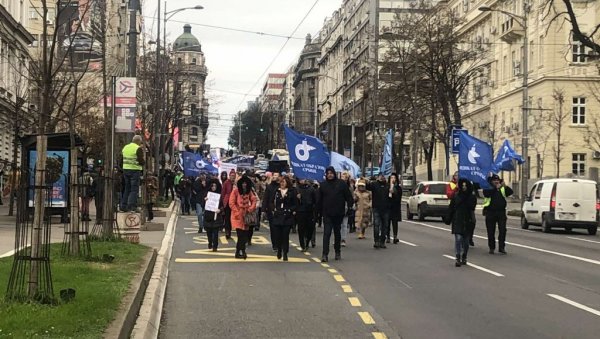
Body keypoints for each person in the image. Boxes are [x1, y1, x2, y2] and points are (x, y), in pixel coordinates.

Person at [318, 167, 353, 262]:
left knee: (337, 233)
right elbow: (319, 200)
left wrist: (350, 207)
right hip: (327, 213)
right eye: (328, 173)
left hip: (338, 213)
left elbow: (349, 197)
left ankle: (337, 252)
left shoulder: (341, 184)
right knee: (327, 233)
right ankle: (325, 254)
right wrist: (318, 213)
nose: (330, 175)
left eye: (331, 173)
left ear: (334, 173)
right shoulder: (323, 185)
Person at [447, 178, 477, 266]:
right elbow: (451, 207)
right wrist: (448, 218)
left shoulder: (471, 197)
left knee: (466, 242)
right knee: (458, 239)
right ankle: (458, 257)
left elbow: (472, 207)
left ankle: (464, 256)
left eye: (465, 185)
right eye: (462, 185)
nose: (464, 187)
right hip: (458, 220)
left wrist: (468, 197)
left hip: (467, 220)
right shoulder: (456, 196)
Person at [483, 174, 514, 255]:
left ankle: (501, 247)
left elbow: (510, 192)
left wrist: (505, 186)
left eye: (497, 180)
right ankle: (492, 247)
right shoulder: (487, 187)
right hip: (490, 212)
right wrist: (495, 188)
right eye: (494, 180)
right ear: (491, 181)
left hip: (501, 212)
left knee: (503, 230)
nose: (496, 182)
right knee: (491, 231)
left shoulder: (502, 188)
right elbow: (486, 194)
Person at [229, 175, 257, 259]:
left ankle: (238, 252)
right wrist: (237, 212)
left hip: (246, 217)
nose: (244, 185)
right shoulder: (235, 191)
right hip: (237, 217)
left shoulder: (249, 192)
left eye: (246, 183)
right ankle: (242, 251)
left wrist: (251, 208)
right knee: (240, 235)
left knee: (244, 236)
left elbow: (254, 200)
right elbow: (231, 203)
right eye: (243, 183)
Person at [271, 176, 298, 261]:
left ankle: (285, 252)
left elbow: (295, 204)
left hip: (287, 216)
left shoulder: (292, 191)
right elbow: (271, 201)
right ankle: (279, 250)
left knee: (285, 235)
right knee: (278, 236)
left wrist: (291, 210)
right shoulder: (276, 191)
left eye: (284, 182)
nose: (282, 184)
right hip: (278, 215)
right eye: (281, 182)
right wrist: (273, 209)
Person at [121, 135, 144, 212]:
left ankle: (123, 206)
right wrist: (144, 163)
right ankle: (132, 206)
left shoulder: (125, 147)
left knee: (127, 188)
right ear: (138, 141)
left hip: (125, 169)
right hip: (135, 170)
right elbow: (141, 161)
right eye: (140, 142)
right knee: (134, 189)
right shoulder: (138, 148)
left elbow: (121, 159)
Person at [367, 173, 392, 249]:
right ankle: (376, 241)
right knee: (376, 225)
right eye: (381, 176)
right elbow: (368, 187)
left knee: (385, 226)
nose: (382, 177)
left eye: (384, 176)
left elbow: (393, 196)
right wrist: (367, 181)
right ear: (378, 177)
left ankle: (382, 241)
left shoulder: (388, 185)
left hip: (386, 209)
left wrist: (392, 191)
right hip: (376, 208)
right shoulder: (375, 184)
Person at [296, 178, 317, 252]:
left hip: (310, 211)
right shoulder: (296, 189)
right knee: (301, 228)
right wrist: (297, 198)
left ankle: (308, 241)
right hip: (300, 211)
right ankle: (302, 244)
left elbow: (315, 201)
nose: (302, 180)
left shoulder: (311, 189)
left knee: (310, 228)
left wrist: (314, 209)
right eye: (300, 179)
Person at [262, 172, 281, 252]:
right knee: (273, 228)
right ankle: (275, 245)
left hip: (280, 210)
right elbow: (265, 198)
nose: (274, 177)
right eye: (273, 175)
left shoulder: (281, 186)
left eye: (276, 175)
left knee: (280, 228)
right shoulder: (269, 187)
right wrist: (263, 210)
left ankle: (280, 243)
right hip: (271, 211)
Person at [203, 179, 223, 252]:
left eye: (215, 186)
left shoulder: (220, 195)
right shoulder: (207, 194)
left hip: (216, 216)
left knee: (215, 233)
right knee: (209, 232)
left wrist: (220, 210)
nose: (213, 187)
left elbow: (223, 205)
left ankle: (215, 246)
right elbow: (203, 206)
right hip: (208, 216)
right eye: (212, 186)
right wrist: (204, 200)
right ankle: (210, 242)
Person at [388, 173, 402, 244]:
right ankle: (387, 236)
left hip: (395, 207)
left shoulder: (398, 188)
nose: (392, 179)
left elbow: (399, 198)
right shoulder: (387, 187)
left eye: (394, 177)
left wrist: (394, 192)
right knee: (387, 222)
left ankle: (395, 236)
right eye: (391, 178)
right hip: (388, 207)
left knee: (394, 222)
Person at [220, 170, 235, 239]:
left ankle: (230, 229)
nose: (233, 177)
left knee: (233, 218)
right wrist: (223, 202)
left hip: (235, 202)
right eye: (231, 176)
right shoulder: (226, 183)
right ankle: (227, 231)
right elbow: (223, 193)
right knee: (227, 217)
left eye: (234, 176)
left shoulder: (236, 183)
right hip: (227, 202)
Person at [340, 171, 352, 247]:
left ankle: (343, 239)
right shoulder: (337, 185)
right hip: (338, 206)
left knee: (344, 224)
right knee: (337, 224)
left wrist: (350, 206)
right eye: (343, 177)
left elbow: (351, 198)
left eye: (346, 178)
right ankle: (337, 239)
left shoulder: (349, 188)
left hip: (346, 207)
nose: (344, 179)